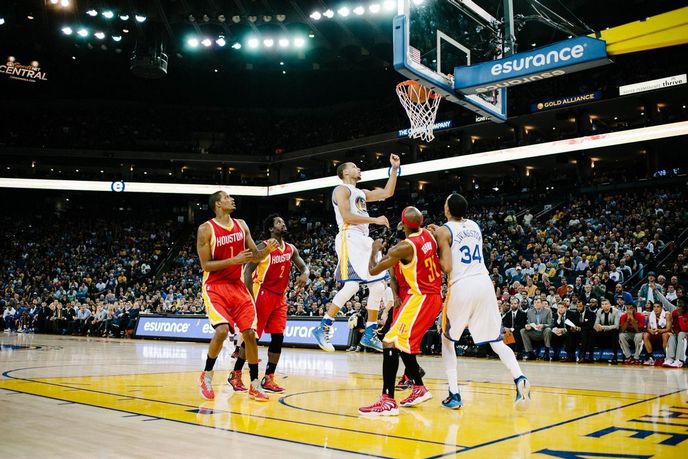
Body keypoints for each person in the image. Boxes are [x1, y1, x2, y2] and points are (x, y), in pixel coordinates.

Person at [432, 193, 530, 411]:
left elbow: (447, 267)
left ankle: (454, 394)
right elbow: (457, 239)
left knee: (447, 340)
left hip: (462, 284)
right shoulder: (475, 226)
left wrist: (433, 246)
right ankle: (519, 377)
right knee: (496, 341)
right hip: (484, 283)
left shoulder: (443, 231)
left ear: (447, 209)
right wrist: (437, 235)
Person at [358, 207, 442, 416]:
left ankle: (388, 400)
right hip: (432, 296)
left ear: (404, 225)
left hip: (420, 298)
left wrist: (374, 250)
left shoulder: (404, 247)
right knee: (403, 345)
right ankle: (419, 388)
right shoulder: (430, 235)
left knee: (390, 341)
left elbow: (372, 271)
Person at [313, 154, 401, 352]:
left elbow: (387, 192)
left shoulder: (360, 192)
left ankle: (369, 333)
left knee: (379, 285)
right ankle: (323, 327)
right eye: (354, 166)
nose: (358, 168)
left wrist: (394, 169)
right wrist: (375, 220)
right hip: (349, 236)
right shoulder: (341, 189)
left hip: (363, 239)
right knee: (352, 286)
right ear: (345, 172)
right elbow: (346, 217)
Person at [197, 191, 278, 402]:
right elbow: (205, 265)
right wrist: (234, 260)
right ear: (217, 204)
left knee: (250, 335)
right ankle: (207, 375)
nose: (231, 200)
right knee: (222, 331)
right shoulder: (206, 229)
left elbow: (256, 256)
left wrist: (267, 250)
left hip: (237, 286)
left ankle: (254, 384)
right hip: (215, 286)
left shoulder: (241, 225)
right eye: (226, 198)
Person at [240, 214, 310, 393]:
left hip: (280, 296)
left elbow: (303, 266)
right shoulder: (264, 246)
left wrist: (305, 273)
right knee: (252, 337)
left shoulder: (290, 248)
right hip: (262, 293)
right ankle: (236, 372)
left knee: (278, 337)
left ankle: (268, 377)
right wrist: (249, 298)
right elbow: (248, 272)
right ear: (271, 228)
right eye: (279, 222)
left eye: (283, 220)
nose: (283, 223)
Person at [593, 299, 620, 364]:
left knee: (614, 332)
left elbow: (616, 326)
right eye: (602, 304)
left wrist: (604, 327)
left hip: (611, 330)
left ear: (610, 305)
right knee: (592, 332)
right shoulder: (599, 311)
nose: (604, 306)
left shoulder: (616, 311)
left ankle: (615, 357)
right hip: (602, 330)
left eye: (606, 304)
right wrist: (597, 327)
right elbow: (596, 323)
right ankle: (595, 356)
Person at [663, 297, 687, 368]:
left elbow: (684, 328)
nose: (678, 304)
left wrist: (680, 316)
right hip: (679, 333)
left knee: (681, 334)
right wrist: (673, 331)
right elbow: (674, 326)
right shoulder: (674, 312)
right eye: (677, 303)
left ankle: (679, 360)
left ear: (685, 304)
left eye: (680, 303)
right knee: (672, 335)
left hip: (685, 333)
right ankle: (670, 359)